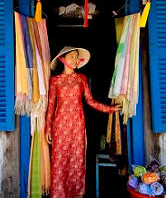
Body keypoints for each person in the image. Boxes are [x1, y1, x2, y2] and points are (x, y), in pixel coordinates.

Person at [45, 46, 121, 198]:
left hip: (78, 125)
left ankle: (75, 194)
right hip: (60, 125)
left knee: (77, 161)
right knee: (59, 161)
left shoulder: (81, 78)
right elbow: (51, 105)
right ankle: (59, 194)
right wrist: (48, 128)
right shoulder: (55, 80)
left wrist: (110, 109)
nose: (75, 59)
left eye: (76, 56)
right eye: (71, 56)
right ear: (62, 59)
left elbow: (90, 101)